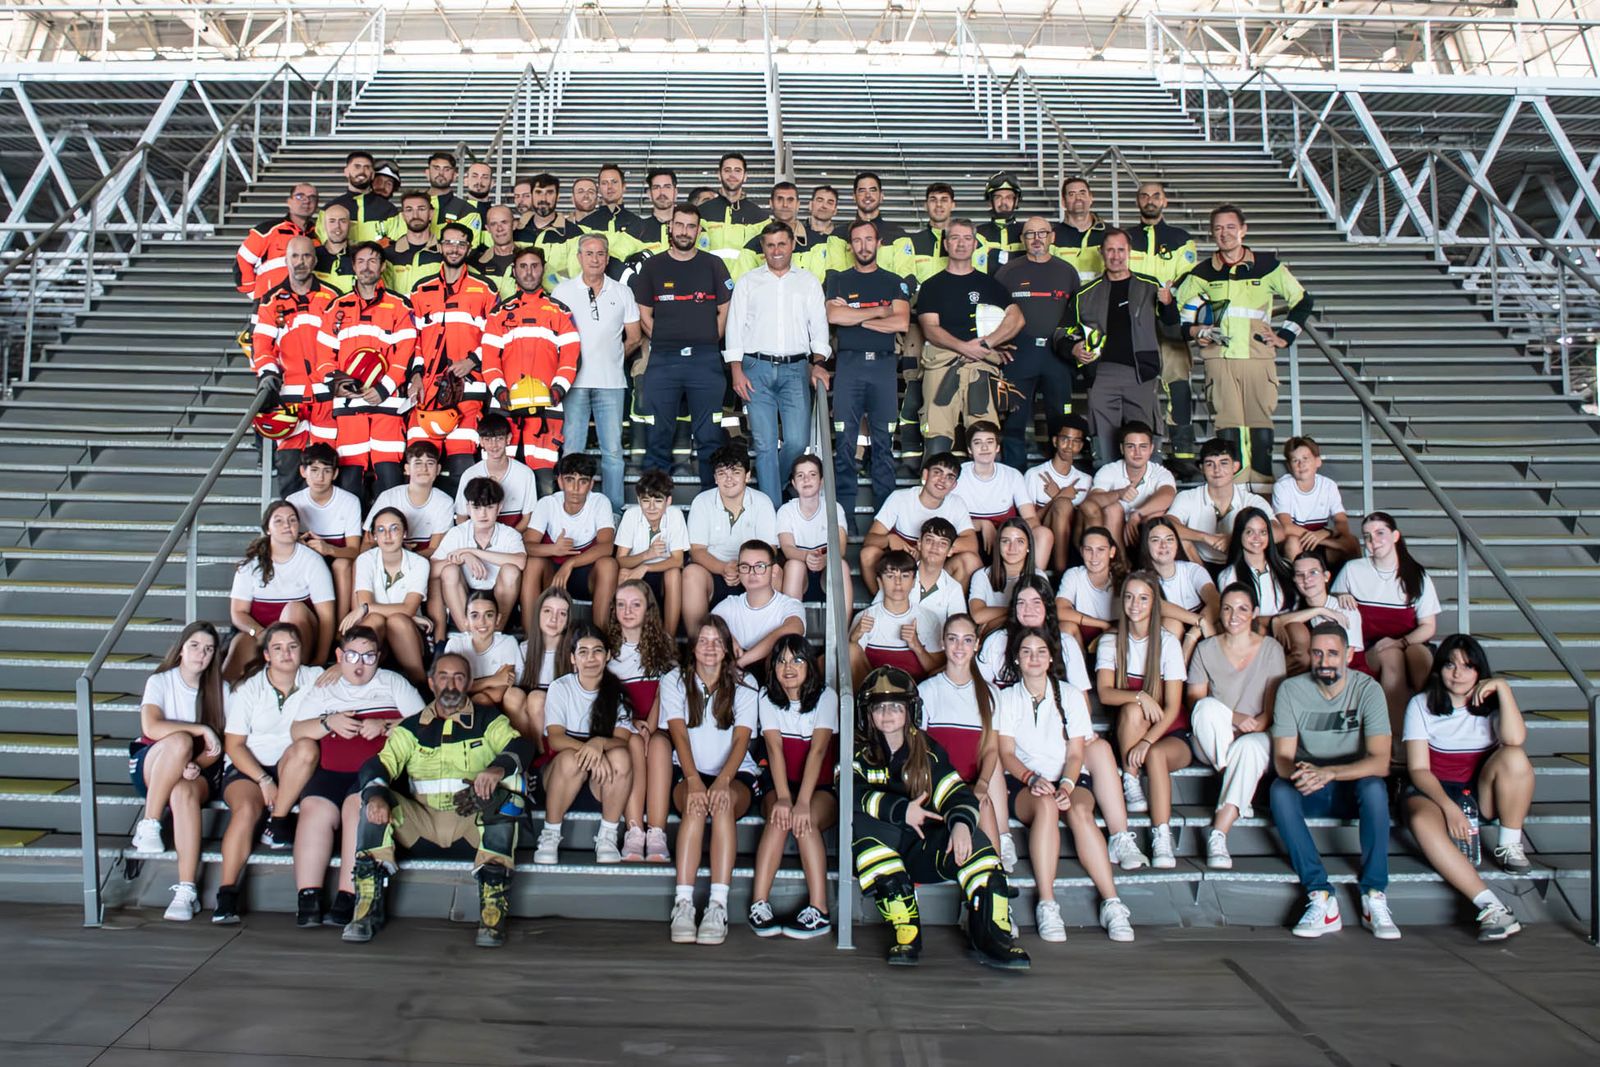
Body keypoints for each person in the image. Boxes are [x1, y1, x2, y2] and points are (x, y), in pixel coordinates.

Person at [346, 653, 535, 947]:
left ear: (469, 682)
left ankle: (492, 911)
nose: (451, 684)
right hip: (421, 819)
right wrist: (374, 796)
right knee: (373, 799)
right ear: (432, 683)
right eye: (444, 677)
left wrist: (497, 769)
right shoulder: (410, 727)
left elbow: (521, 745)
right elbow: (379, 764)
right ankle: (366, 908)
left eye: (459, 677)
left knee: (503, 801)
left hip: (470, 818)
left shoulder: (488, 719)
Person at [851, 665, 1030, 969]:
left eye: (896, 706)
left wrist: (960, 823)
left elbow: (956, 793)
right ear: (867, 713)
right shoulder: (856, 751)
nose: (888, 715)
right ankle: (906, 931)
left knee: (976, 843)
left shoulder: (928, 751)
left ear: (911, 711)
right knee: (864, 829)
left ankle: (992, 935)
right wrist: (901, 810)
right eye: (879, 707)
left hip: (923, 850)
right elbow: (851, 793)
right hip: (885, 851)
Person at [1000, 627, 1137, 943]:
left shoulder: (1071, 695)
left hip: (1067, 777)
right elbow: (1005, 753)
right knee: (1046, 807)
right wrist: (1031, 779)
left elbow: (1077, 752)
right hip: (1025, 783)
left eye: (1040, 651)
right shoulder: (1006, 698)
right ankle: (1047, 904)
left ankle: (1112, 902)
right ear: (1017, 660)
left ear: (1050, 658)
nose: (1034, 658)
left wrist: (1066, 785)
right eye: (1026, 652)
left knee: (1081, 814)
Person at [284, 626, 425, 928]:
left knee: (354, 808)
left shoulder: (392, 683)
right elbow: (297, 731)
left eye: (368, 656)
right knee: (314, 811)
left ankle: (348, 895)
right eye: (352, 656)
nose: (360, 664)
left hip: (374, 772)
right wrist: (327, 721)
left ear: (379, 658)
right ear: (339, 656)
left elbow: (425, 725)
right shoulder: (326, 687)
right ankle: (308, 896)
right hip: (330, 770)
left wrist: (386, 724)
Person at [1269, 621, 1398, 940]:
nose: (1324, 661)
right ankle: (1320, 895)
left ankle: (1374, 895)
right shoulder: (1291, 689)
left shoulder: (1368, 690)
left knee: (1374, 788)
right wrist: (1308, 774)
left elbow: (1381, 762)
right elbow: (1282, 760)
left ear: (1349, 655)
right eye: (1317, 654)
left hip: (1352, 784)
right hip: (1311, 783)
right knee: (1279, 791)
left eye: (1332, 653)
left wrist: (1330, 773)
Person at [1402, 635, 1534, 941]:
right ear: (1439, 669)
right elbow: (1419, 770)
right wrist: (1449, 809)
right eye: (1450, 664)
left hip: (1478, 791)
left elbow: (1515, 740)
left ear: (1479, 672)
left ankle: (1510, 843)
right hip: (1433, 790)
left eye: (1467, 666)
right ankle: (1492, 907)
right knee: (1422, 819)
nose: (1458, 673)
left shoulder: (1491, 704)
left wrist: (1503, 688)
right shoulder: (1421, 704)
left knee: (1514, 756)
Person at [1175, 203, 1313, 482]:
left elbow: (1303, 300)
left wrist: (1284, 335)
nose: (1224, 234)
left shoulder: (1267, 266)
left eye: (1230, 227)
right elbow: (1173, 308)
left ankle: (1262, 490)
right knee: (1227, 428)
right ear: (1212, 233)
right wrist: (1195, 330)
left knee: (1260, 428)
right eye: (1218, 228)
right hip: (1219, 359)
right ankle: (1233, 492)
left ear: (1243, 230)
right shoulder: (1203, 272)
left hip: (1257, 358)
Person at [659, 617, 761, 946]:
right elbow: (677, 734)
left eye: (717, 641)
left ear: (729, 648)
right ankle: (684, 904)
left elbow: (742, 740)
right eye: (703, 641)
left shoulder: (746, 684)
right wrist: (692, 779)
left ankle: (718, 904)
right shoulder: (674, 680)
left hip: (735, 774)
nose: (710, 648)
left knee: (722, 803)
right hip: (690, 769)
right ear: (693, 647)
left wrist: (722, 781)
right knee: (694, 805)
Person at [214, 622, 322, 922]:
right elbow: (234, 745)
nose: (286, 653)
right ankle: (226, 894)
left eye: (292, 646)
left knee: (307, 748)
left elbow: (343, 671)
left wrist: (338, 669)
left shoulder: (316, 678)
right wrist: (263, 780)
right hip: (250, 766)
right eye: (278, 648)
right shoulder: (249, 689)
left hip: (293, 766)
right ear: (267, 656)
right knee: (246, 811)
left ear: (302, 651)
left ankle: (278, 819)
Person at [724, 221, 830, 508]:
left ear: (792, 244)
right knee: (766, 445)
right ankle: (772, 511)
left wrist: (818, 362)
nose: (776, 250)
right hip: (755, 368)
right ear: (763, 248)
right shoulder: (748, 281)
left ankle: (776, 482)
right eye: (770, 245)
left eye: (782, 243)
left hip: (796, 370)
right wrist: (736, 369)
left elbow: (818, 326)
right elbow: (734, 327)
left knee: (796, 442)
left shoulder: (807, 281)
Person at [127, 622, 225, 922]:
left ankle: (186, 890)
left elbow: (219, 748)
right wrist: (199, 729)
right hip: (154, 766)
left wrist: (196, 765)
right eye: (195, 646)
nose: (201, 654)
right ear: (181, 648)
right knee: (180, 741)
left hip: (196, 772)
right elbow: (151, 728)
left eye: (208, 649)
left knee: (183, 791)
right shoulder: (161, 681)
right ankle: (150, 823)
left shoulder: (220, 690)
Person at [1059, 228, 1181, 467]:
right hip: (1102, 374)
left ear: (1130, 252)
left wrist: (1168, 304)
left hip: (1141, 372)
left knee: (1144, 436)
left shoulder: (1149, 286)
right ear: (1101, 252)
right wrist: (1073, 349)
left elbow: (1171, 326)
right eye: (1111, 250)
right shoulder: (1085, 293)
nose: (1115, 255)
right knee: (1104, 439)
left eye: (1121, 250)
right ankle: (1106, 487)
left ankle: (1148, 487)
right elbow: (1062, 333)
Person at [631, 202, 733, 487]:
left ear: (698, 231)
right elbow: (643, 313)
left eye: (691, 226)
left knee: (709, 437)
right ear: (670, 227)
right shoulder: (653, 266)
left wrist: (710, 336)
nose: (685, 231)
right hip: (663, 359)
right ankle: (655, 498)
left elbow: (725, 307)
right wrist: (664, 338)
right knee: (659, 434)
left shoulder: (713, 265)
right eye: (680, 225)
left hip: (705, 360)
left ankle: (710, 500)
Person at [1186, 582, 1286, 869]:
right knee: (1206, 708)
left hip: (1257, 734)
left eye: (1242, 608)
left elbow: (1272, 705)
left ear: (1254, 612)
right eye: (1228, 608)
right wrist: (1234, 719)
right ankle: (1238, 778)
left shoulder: (1271, 649)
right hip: (1213, 736)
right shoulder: (1206, 649)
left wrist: (1255, 726)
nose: (1234, 615)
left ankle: (1219, 834)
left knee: (1250, 748)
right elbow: (1195, 701)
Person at [748, 636, 839, 939]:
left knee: (806, 820)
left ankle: (820, 910)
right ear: (772, 667)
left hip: (820, 787)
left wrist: (801, 802)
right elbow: (773, 749)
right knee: (779, 816)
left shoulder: (827, 697)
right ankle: (758, 904)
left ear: (809, 665)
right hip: (781, 783)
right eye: (781, 661)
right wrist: (786, 798)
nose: (789, 667)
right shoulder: (765, 696)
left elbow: (818, 752)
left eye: (797, 660)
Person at [1097, 571, 1189, 863]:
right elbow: (1104, 693)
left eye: (1144, 598)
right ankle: (1130, 776)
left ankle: (1161, 836)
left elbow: (1173, 707)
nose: (1135, 604)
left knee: (1158, 755)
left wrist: (1147, 743)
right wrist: (1140, 695)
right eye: (1129, 596)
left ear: (1154, 604)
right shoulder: (1111, 642)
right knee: (1131, 708)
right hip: (1130, 729)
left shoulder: (1168, 642)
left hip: (1169, 732)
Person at [913, 218, 1025, 456]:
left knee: (985, 433)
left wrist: (986, 344)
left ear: (975, 244)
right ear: (946, 244)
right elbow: (930, 328)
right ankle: (935, 488)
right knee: (937, 432)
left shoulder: (990, 285)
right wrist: (964, 347)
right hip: (942, 366)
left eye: (966, 238)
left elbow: (1016, 318)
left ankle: (985, 490)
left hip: (981, 367)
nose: (961, 244)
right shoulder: (932, 286)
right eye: (954, 238)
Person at [825, 219, 912, 523]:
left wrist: (855, 316)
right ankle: (842, 518)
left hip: (884, 368)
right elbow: (834, 315)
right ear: (851, 246)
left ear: (879, 243)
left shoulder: (894, 281)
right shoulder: (837, 279)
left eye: (869, 239)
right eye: (857, 240)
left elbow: (901, 322)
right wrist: (877, 312)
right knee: (846, 443)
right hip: (849, 366)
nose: (863, 246)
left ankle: (884, 520)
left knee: (883, 444)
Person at [534, 623, 638, 866]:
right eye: (583, 652)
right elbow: (556, 738)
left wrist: (599, 742)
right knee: (571, 759)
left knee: (622, 756)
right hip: (561, 777)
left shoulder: (617, 693)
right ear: (573, 658)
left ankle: (607, 836)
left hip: (600, 784)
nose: (591, 658)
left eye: (597, 651)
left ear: (608, 655)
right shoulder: (561, 687)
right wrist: (593, 752)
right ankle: (550, 834)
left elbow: (620, 740)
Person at [553, 233, 643, 513]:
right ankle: (570, 510)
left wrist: (614, 358)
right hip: (573, 384)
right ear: (579, 257)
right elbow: (553, 338)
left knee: (613, 453)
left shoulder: (622, 292)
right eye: (589, 253)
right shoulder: (562, 292)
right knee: (573, 451)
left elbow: (635, 337)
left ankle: (613, 512)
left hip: (611, 383)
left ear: (607, 257)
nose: (595, 259)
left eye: (600, 254)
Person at [405, 220, 497, 487]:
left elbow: (495, 336)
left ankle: (461, 524)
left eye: (460, 243)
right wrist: (416, 375)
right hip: (428, 388)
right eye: (449, 242)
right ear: (439, 246)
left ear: (468, 248)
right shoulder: (421, 290)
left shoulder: (485, 289)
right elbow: (415, 339)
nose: (454, 248)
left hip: (469, 389)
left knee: (462, 464)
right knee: (421, 462)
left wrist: (472, 361)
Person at [480, 247, 582, 487]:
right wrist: (499, 390)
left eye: (534, 266)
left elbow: (571, 357)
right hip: (505, 405)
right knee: (499, 480)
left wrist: (557, 390)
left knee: (544, 480)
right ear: (514, 271)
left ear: (542, 269)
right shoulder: (499, 313)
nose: (529, 272)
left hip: (547, 406)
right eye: (523, 267)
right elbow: (489, 358)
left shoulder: (560, 311)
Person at [322, 241, 416, 498]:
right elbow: (324, 355)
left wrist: (384, 388)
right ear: (353, 266)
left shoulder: (400, 306)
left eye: (372, 261)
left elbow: (406, 352)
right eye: (361, 261)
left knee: (390, 482)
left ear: (382, 266)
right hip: (349, 408)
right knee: (350, 484)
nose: (366, 267)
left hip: (387, 408)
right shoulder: (335, 308)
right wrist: (336, 383)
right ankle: (355, 537)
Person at [1333, 510, 1441, 728]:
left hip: (1408, 642)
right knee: (1392, 657)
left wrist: (1401, 642)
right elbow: (1333, 609)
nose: (1373, 540)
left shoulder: (1417, 575)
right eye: (1367, 536)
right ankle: (1396, 738)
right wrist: (1340, 595)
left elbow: (1428, 627)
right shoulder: (1353, 570)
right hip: (1370, 649)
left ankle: (1435, 727)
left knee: (1421, 658)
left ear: (1395, 536)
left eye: (1380, 533)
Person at [918, 614, 1010, 869]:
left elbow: (991, 750)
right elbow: (920, 753)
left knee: (984, 802)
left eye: (967, 640)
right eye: (953, 639)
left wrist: (981, 785)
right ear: (943, 642)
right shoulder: (927, 690)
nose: (960, 647)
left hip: (970, 784)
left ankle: (994, 883)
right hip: (938, 786)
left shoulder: (990, 693)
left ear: (977, 644)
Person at [250, 233, 339, 495]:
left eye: (306, 256)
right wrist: (267, 374)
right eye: (295, 256)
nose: (301, 262)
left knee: (329, 469)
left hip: (327, 397)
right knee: (290, 471)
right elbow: (262, 345)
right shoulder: (270, 301)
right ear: (285, 260)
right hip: (289, 401)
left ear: (314, 260)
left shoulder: (332, 298)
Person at [1127, 181, 1201, 477]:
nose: (1150, 200)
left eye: (1156, 195)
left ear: (1165, 201)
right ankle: (1144, 453)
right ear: (1137, 202)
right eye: (1144, 196)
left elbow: (1187, 278)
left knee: (1178, 386)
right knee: (1137, 389)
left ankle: (1182, 454)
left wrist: (1171, 305)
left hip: (1169, 322)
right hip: (1134, 323)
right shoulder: (1127, 237)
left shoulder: (1181, 238)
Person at [995, 215, 1079, 468]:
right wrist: (997, 343)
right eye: (1030, 234)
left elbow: (1076, 314)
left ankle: (1058, 474)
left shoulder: (1067, 272)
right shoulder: (1007, 272)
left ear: (1052, 237)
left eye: (1042, 233)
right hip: (1019, 356)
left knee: (1060, 422)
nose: (1036, 239)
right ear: (1022, 239)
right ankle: (1013, 475)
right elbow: (992, 312)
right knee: (1014, 421)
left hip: (1057, 358)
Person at [223, 500, 335, 684]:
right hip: (262, 634)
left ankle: (293, 680)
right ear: (268, 529)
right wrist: (259, 632)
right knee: (241, 642)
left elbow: (327, 617)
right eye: (279, 521)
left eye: (292, 520)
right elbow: (237, 613)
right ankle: (224, 701)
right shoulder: (251, 565)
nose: (287, 525)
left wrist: (320, 660)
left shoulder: (312, 561)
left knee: (295, 609)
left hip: (298, 638)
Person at [608, 579, 679, 861]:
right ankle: (634, 830)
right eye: (621, 605)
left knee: (659, 745)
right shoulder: (608, 649)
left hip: (657, 724)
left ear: (648, 609)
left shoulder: (664, 646)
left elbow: (667, 690)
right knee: (633, 744)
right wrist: (634, 723)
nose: (627, 611)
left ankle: (657, 831)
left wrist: (650, 724)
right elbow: (608, 697)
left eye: (635, 604)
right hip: (624, 726)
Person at [682, 444, 779, 636]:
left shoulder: (762, 502)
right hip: (713, 571)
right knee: (691, 573)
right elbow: (697, 550)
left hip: (752, 571)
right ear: (715, 478)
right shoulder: (702, 502)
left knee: (775, 571)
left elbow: (770, 550)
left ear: (747, 475)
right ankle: (696, 646)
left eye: (735, 472)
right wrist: (723, 568)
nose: (728, 479)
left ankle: (768, 648)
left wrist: (743, 569)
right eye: (721, 473)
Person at [860, 452, 982, 594]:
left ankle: (949, 610)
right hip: (902, 567)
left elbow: (971, 544)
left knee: (971, 560)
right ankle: (883, 605)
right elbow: (870, 540)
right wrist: (889, 539)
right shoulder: (900, 498)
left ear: (954, 485)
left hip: (937, 568)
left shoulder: (956, 503)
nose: (942, 480)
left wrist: (928, 549)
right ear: (925, 475)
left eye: (950, 477)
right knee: (868, 554)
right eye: (937, 472)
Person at [522, 451, 620, 629]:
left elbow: (607, 547)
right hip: (552, 575)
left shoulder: (599, 502)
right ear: (560, 481)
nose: (575, 488)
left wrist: (571, 563)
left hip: (586, 575)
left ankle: (600, 639)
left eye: (582, 481)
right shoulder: (547, 503)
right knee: (533, 564)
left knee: (608, 564)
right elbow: (527, 546)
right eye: (569, 480)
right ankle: (531, 642)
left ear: (591, 484)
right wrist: (553, 550)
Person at [1166, 437, 1276, 569]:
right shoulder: (1188, 497)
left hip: (1241, 562)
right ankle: (1203, 580)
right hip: (1199, 563)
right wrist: (1206, 537)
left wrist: (1236, 538)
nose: (1217, 470)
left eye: (1223, 463)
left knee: (1257, 540)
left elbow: (1278, 531)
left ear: (1235, 466)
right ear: (1201, 468)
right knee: (1180, 537)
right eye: (1209, 464)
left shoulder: (1252, 500)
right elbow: (1167, 523)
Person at [350, 507, 431, 687]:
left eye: (394, 528)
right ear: (373, 536)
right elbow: (366, 603)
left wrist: (365, 609)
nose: (387, 535)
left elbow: (408, 608)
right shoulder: (365, 560)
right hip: (376, 634)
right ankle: (357, 683)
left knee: (397, 621)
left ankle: (420, 685)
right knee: (375, 619)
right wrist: (367, 608)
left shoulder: (419, 563)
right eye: (381, 530)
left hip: (407, 633)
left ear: (404, 533)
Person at [954, 420, 1052, 566]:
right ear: (969, 449)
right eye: (977, 443)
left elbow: (1031, 517)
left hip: (1006, 538)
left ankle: (1033, 583)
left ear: (997, 447)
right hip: (972, 537)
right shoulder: (958, 475)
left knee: (1044, 533)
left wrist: (1005, 533)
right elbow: (948, 519)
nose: (984, 447)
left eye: (990, 442)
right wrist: (981, 524)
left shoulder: (1012, 475)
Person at [977, 577, 1094, 698]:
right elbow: (980, 692)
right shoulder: (996, 640)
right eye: (1021, 602)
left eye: (1036, 602)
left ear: (1047, 607)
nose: (1028, 609)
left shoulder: (1066, 643)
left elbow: (1082, 702)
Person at [288, 443, 363, 618]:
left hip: (338, 561)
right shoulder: (293, 501)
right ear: (303, 471)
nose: (320, 477)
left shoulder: (349, 501)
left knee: (342, 564)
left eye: (326, 471)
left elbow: (354, 550)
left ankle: (340, 626)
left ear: (335, 474)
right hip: (307, 562)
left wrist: (328, 549)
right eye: (314, 470)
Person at [849, 550, 943, 685]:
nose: (898, 583)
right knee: (851, 648)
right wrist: (855, 636)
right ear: (880, 582)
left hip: (915, 693)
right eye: (890, 576)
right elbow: (852, 661)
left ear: (914, 582)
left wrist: (916, 645)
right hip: (876, 696)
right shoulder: (865, 617)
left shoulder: (929, 618)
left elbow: (937, 670)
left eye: (905, 576)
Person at [1079, 420, 1177, 548]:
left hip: (1143, 535)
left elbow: (1167, 495)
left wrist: (1137, 514)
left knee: (1156, 514)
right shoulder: (1109, 470)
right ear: (1122, 448)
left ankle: (1148, 564)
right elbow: (1091, 502)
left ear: (1151, 449)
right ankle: (1118, 561)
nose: (1137, 453)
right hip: (1111, 534)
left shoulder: (1160, 472)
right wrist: (1119, 494)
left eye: (1143, 447)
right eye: (1131, 446)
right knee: (1112, 509)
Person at [614, 468, 688, 636]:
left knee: (674, 573)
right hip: (635, 572)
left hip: (661, 574)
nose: (652, 507)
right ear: (639, 500)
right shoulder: (631, 516)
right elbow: (620, 560)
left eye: (658, 500)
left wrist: (645, 567)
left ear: (668, 501)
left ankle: (669, 638)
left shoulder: (675, 515)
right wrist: (647, 555)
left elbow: (678, 561)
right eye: (646, 500)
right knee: (622, 573)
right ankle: (623, 636)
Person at [712, 540, 805, 672]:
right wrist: (727, 637)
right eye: (745, 567)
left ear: (774, 570)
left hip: (776, 679)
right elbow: (708, 625)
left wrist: (743, 661)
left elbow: (793, 629)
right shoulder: (730, 605)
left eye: (760, 566)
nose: (752, 572)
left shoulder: (789, 605)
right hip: (738, 682)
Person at [1139, 516, 1219, 660]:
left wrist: (1192, 635)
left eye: (1169, 539)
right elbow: (1158, 604)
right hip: (1164, 639)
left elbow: (1215, 601)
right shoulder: (1141, 579)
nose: (1164, 545)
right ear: (1146, 545)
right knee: (1172, 623)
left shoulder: (1192, 570)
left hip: (1200, 634)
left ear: (1177, 544)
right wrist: (1200, 621)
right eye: (1156, 540)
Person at [1274, 549, 1366, 675]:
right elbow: (1278, 621)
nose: (1306, 579)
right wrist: (1319, 610)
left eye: (1313, 572)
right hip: (1315, 674)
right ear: (1294, 580)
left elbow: (1346, 661)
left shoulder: (1345, 607)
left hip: (1349, 675)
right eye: (1300, 574)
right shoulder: (1300, 609)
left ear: (1326, 576)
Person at [776, 455, 851, 607]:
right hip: (800, 576)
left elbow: (840, 547)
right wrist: (806, 556)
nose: (806, 480)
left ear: (821, 481)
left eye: (812, 474)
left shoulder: (834, 507)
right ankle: (793, 628)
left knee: (840, 565)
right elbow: (787, 549)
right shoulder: (786, 510)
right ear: (794, 483)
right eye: (800, 476)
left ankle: (844, 630)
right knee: (794, 565)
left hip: (826, 573)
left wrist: (824, 560)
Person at [1273, 436, 1357, 564]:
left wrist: (1326, 532)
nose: (1301, 465)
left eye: (1305, 458)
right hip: (1295, 541)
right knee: (1292, 542)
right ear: (1289, 466)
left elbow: (1342, 524)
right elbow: (1286, 527)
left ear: (1318, 461)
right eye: (1295, 460)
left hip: (1319, 540)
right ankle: (1295, 582)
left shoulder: (1329, 486)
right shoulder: (1283, 486)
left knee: (1352, 542)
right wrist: (1319, 538)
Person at [365, 441, 456, 558]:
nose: (424, 468)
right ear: (407, 469)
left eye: (430, 463)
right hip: (385, 560)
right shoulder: (388, 497)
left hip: (424, 563)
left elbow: (435, 549)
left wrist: (406, 557)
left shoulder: (444, 502)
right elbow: (367, 543)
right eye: (417, 463)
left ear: (438, 469)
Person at [1026, 414, 1093, 573]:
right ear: (1055, 441)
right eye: (1065, 439)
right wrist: (1059, 497)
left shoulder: (1086, 480)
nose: (1069, 446)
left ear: (1082, 445)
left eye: (1076, 441)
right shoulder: (1034, 475)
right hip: (1044, 543)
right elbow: (1028, 523)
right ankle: (1060, 573)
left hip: (1075, 545)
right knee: (1062, 504)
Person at [509, 586, 576, 739]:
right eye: (547, 611)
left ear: (567, 621)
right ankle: (529, 749)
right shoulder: (524, 648)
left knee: (537, 698)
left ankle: (543, 751)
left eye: (562, 614)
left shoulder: (575, 651)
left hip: (561, 721)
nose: (554, 619)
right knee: (512, 695)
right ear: (538, 614)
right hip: (531, 720)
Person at [452, 413, 537, 528]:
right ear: (481, 441)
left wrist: (507, 539)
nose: (494, 445)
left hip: (513, 541)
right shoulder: (470, 474)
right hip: (478, 542)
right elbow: (461, 517)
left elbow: (528, 518)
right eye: (488, 439)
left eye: (499, 439)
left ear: (508, 438)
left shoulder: (525, 474)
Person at [237, 183, 319, 301]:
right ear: (289, 201)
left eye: (312, 197)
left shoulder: (319, 234)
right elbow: (242, 261)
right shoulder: (267, 230)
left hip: (308, 304)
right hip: (270, 306)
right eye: (300, 196)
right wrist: (255, 294)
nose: (306, 201)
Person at [444, 592, 523, 712]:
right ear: (466, 620)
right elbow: (451, 689)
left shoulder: (508, 643)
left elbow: (500, 691)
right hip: (462, 708)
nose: (482, 622)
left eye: (489, 615)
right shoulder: (456, 645)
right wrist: (492, 680)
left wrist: (471, 687)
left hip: (501, 707)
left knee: (485, 699)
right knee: (479, 700)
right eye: (475, 616)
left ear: (498, 619)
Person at [1217, 506, 1295, 626]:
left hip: (1288, 627)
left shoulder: (1285, 567)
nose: (1257, 538)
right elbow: (1235, 619)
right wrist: (1273, 621)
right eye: (1250, 532)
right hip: (1251, 632)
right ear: (1239, 534)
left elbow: (1297, 608)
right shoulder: (1228, 576)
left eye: (1262, 532)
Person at [1054, 525, 1120, 651]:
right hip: (1083, 635)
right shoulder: (1074, 574)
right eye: (1089, 549)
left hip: (1115, 637)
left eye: (1101, 550)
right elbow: (1059, 610)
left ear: (1112, 552)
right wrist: (1102, 624)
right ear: (1081, 551)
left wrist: (1109, 628)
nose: (1094, 556)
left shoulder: (1123, 577)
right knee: (1065, 627)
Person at [967, 517, 1038, 632]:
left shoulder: (1038, 576)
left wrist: (992, 623)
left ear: (1028, 546)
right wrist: (1017, 611)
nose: (1012, 548)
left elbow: (1038, 618)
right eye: (1005, 541)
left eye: (1019, 541)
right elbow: (977, 615)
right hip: (993, 638)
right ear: (998, 545)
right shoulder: (982, 575)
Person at [323, 151, 398, 245]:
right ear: (346, 172)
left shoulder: (390, 210)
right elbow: (326, 247)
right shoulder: (328, 210)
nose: (362, 171)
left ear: (372, 174)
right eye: (357, 166)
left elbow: (397, 247)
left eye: (367, 167)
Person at [381, 191, 443, 296]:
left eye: (421, 209)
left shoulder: (444, 253)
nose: (415, 215)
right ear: (403, 216)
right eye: (409, 210)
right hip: (399, 311)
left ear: (431, 214)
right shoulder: (388, 255)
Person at [1051, 176, 1107, 283]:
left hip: (1099, 299)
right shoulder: (1053, 237)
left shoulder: (1109, 235)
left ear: (1091, 198)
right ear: (1063, 202)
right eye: (1072, 194)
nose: (1078, 198)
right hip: (1066, 299)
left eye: (1082, 193)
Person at [701, 151, 767, 228]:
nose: (732, 175)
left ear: (745, 176)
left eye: (737, 170)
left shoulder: (759, 217)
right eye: (727, 170)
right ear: (719, 175)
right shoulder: (702, 213)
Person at [974, 170, 1023, 269]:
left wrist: (993, 254)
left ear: (1016, 201)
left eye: (1009, 197)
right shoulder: (978, 233)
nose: (1003, 202)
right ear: (990, 201)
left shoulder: (1026, 232)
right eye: (998, 197)